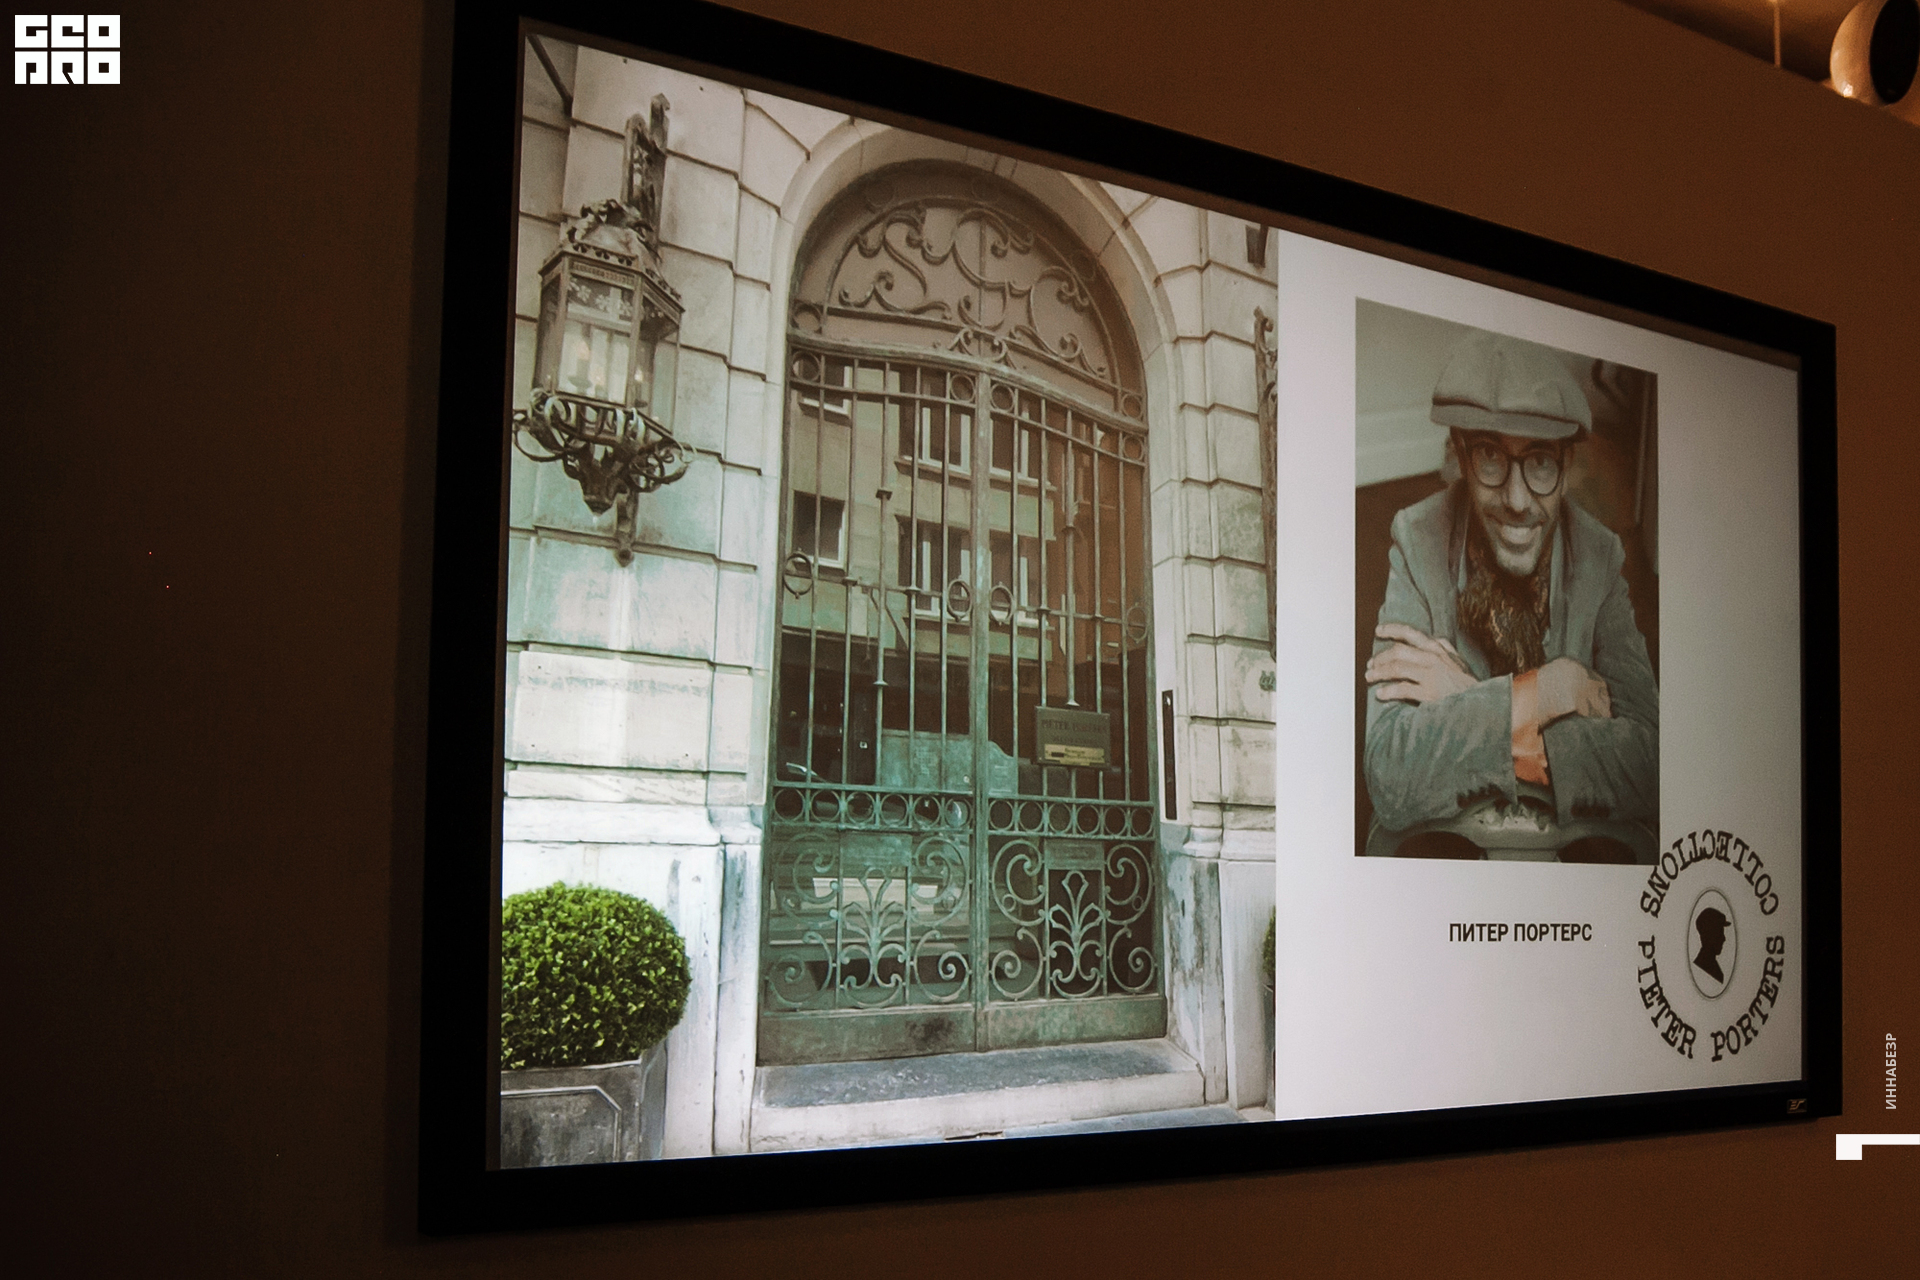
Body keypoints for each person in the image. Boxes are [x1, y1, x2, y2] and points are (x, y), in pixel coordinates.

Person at [1361, 330, 1657, 861]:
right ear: (1461, 455)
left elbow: (1649, 763)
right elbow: (1390, 772)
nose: (1518, 500)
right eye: (1490, 456)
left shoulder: (1600, 555)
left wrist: (1470, 696)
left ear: (1566, 466)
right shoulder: (1416, 537)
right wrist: (1547, 691)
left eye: (1540, 460)